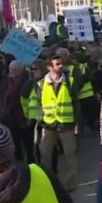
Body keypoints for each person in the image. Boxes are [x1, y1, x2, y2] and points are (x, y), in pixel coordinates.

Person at [34, 54, 81, 192]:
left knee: (70, 154)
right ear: (49, 67)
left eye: (61, 64)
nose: (61, 66)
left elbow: (76, 104)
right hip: (48, 125)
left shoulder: (70, 81)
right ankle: (46, 182)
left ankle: (70, 183)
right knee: (45, 154)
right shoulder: (41, 84)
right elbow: (38, 103)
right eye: (57, 64)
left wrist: (77, 123)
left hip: (66, 124)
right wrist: (39, 120)